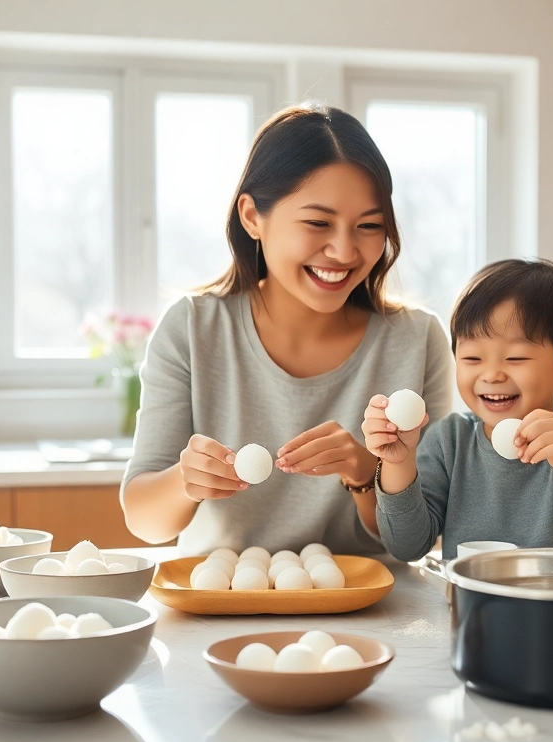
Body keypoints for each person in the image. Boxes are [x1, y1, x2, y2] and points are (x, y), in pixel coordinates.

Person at [121, 103, 455, 555]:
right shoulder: (192, 328)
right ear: (252, 217)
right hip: (224, 601)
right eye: (318, 222)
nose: (343, 250)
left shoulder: (418, 340)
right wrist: (187, 480)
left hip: (375, 611)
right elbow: (145, 522)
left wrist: (364, 472)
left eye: (369, 226)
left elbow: (421, 536)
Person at [363, 258, 553, 560]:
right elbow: (406, 547)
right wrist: (399, 463)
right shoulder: (449, 440)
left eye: (515, 358)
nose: (492, 374)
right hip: (474, 612)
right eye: (472, 358)